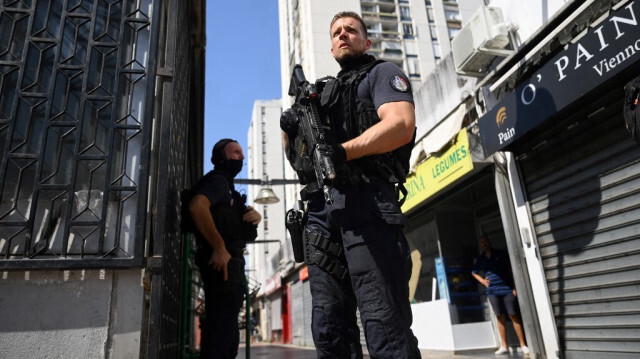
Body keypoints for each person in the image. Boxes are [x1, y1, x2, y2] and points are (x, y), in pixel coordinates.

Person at [282, 11, 420, 358]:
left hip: (367, 206)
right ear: (331, 47)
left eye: (351, 30)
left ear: (366, 41)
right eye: (336, 32)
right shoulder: (321, 95)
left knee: (384, 325)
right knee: (329, 329)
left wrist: (342, 152)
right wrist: (291, 130)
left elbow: (401, 124)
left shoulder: (382, 73)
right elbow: (302, 164)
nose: (343, 35)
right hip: (321, 216)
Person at [188, 139, 261, 359]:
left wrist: (254, 217)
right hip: (222, 267)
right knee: (220, 334)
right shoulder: (218, 181)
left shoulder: (228, 188)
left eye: (242, 153)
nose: (241, 157)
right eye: (235, 152)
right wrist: (219, 247)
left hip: (231, 267)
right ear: (220, 156)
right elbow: (197, 206)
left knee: (227, 333)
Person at [471, 235, 529, 356]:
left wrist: (514, 286)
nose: (484, 244)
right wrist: (482, 281)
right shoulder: (480, 259)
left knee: (513, 315)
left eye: (486, 241)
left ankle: (523, 345)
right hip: (492, 291)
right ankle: (504, 346)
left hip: (506, 289)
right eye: (482, 242)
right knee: (499, 317)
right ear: (481, 245)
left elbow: (511, 269)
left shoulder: (501, 254)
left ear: (489, 242)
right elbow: (473, 272)